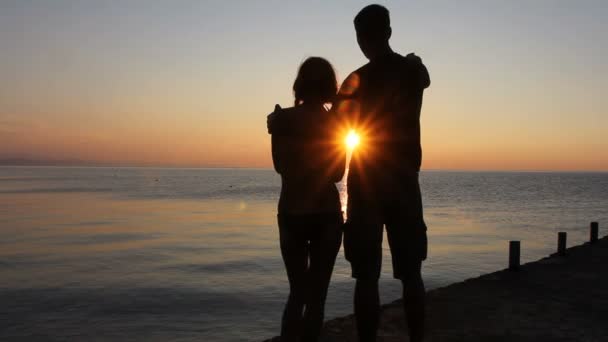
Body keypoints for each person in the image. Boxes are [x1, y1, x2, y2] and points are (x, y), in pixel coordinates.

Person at [338, 5, 431, 342]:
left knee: (366, 276)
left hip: (366, 180)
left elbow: (333, 125)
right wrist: (413, 60)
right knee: (412, 274)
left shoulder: (356, 80)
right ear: (389, 33)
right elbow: (425, 77)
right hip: (405, 179)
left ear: (362, 38)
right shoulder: (412, 72)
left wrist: (285, 122)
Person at [269, 57, 346, 342]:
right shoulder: (335, 123)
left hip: (291, 212)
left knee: (297, 293)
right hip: (325, 214)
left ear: (299, 84)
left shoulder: (281, 118)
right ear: (330, 85)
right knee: (317, 298)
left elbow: (280, 166)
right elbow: (337, 173)